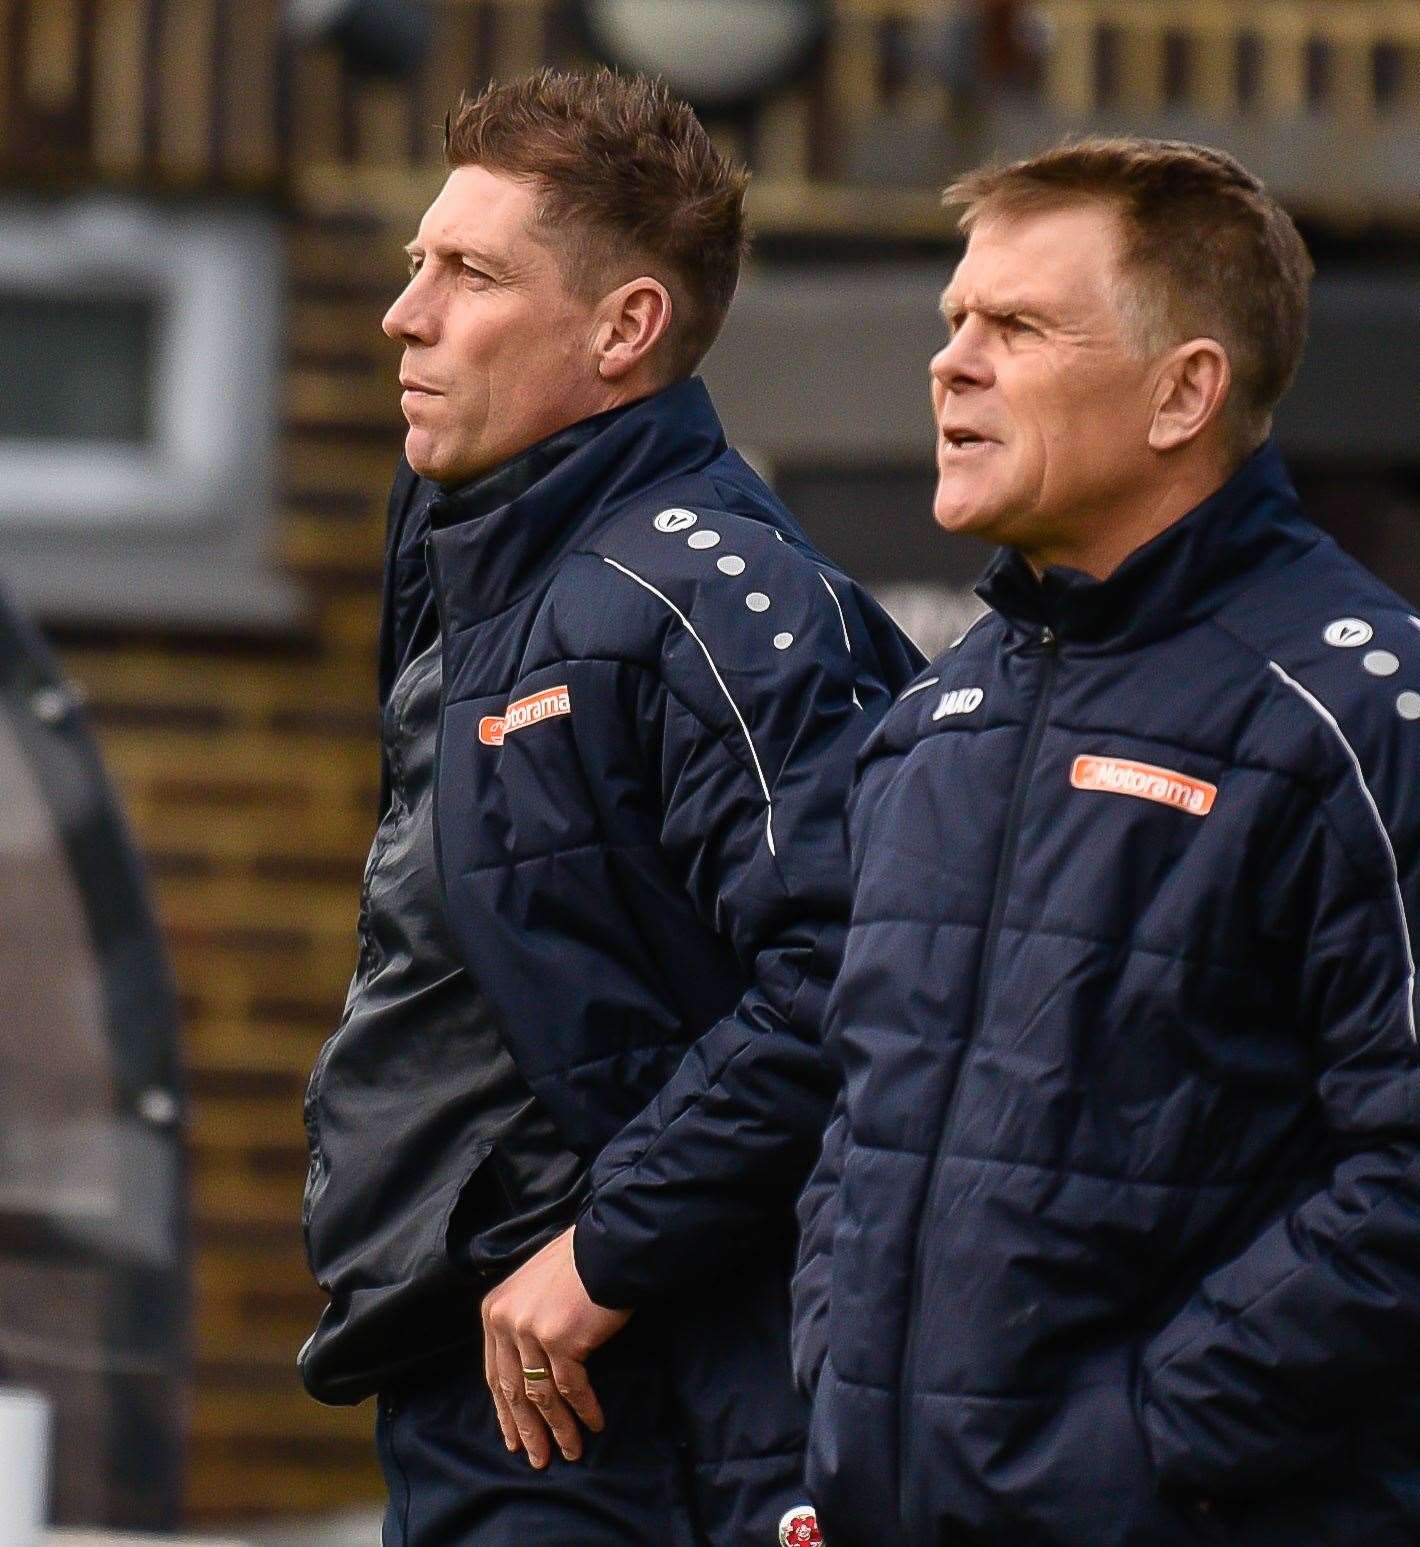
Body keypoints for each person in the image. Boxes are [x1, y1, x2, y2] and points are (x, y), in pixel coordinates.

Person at [792, 138, 1420, 1545]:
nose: (950, 366)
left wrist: (1136, 1453)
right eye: (952, 324)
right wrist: (842, 1425)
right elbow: (851, 1124)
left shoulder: (1379, 718)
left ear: (1185, 392)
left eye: (1017, 327)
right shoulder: (934, 723)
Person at [298, 66, 920, 1545]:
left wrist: (605, 1252)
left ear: (624, 328)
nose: (407, 313)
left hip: (624, 1407)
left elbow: (856, 967)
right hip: (481, 1375)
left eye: (469, 273)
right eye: (415, 264)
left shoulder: (707, 594)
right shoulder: (481, 555)